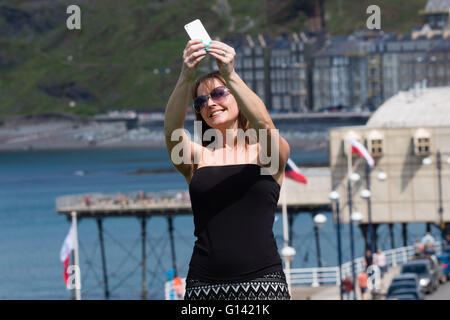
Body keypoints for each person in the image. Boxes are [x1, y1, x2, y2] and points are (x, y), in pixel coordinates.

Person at [164, 39, 291, 300]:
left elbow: (264, 124)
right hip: (203, 287)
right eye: (201, 100)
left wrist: (230, 74)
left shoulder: (265, 154)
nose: (209, 103)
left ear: (237, 96)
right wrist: (186, 75)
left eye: (219, 94)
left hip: (263, 283)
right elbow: (171, 131)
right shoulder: (197, 157)